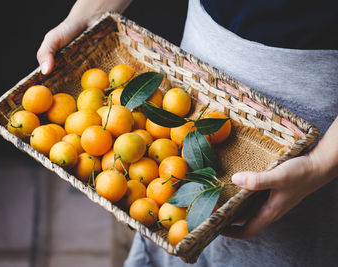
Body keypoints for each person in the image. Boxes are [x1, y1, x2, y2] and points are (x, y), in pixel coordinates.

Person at [37, 0, 338, 265]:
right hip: (193, 66)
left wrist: (321, 163)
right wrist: (92, 11)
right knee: (154, 231)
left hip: (314, 116)